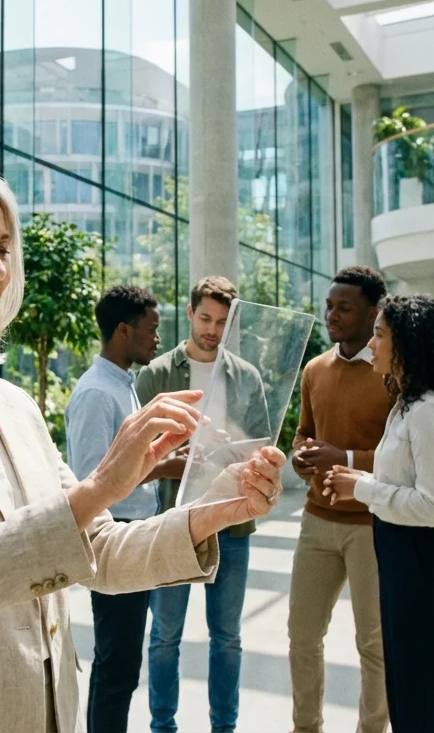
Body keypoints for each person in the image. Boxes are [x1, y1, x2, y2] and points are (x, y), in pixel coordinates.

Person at [0, 157, 288, 733]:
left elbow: (99, 551)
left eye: (4, 249)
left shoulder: (14, 404)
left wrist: (217, 509)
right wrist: (99, 487)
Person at [323, 294, 434, 733]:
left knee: (428, 708)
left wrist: (362, 487)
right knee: (411, 703)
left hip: (425, 567)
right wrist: (356, 480)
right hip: (404, 564)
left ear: (407, 343)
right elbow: (405, 480)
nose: (371, 344)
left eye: (379, 334)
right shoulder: (407, 405)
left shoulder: (428, 411)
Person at [136, 276, 269, 733]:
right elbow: (142, 455)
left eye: (221, 322)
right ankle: (162, 727)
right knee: (164, 637)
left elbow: (262, 444)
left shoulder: (246, 377)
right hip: (174, 522)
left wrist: (241, 453)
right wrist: (184, 456)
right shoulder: (155, 374)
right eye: (205, 318)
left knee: (227, 638)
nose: (211, 330)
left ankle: (223, 728)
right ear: (190, 314)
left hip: (230, 524)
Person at [287, 265, 394, 733]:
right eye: (329, 305)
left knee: (374, 643)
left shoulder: (392, 374)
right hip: (316, 521)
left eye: (344, 307)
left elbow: (401, 460)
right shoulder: (314, 370)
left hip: (373, 526)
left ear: (373, 314)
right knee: (302, 636)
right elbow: (304, 436)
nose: (332, 314)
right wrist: (301, 459)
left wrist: (344, 456)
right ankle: (305, 727)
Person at [64, 284, 167, 733]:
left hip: (134, 530)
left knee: (123, 662)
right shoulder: (96, 395)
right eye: (151, 329)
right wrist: (166, 467)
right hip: (114, 535)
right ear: (123, 330)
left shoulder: (123, 385)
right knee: (115, 664)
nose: (157, 339)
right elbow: (92, 480)